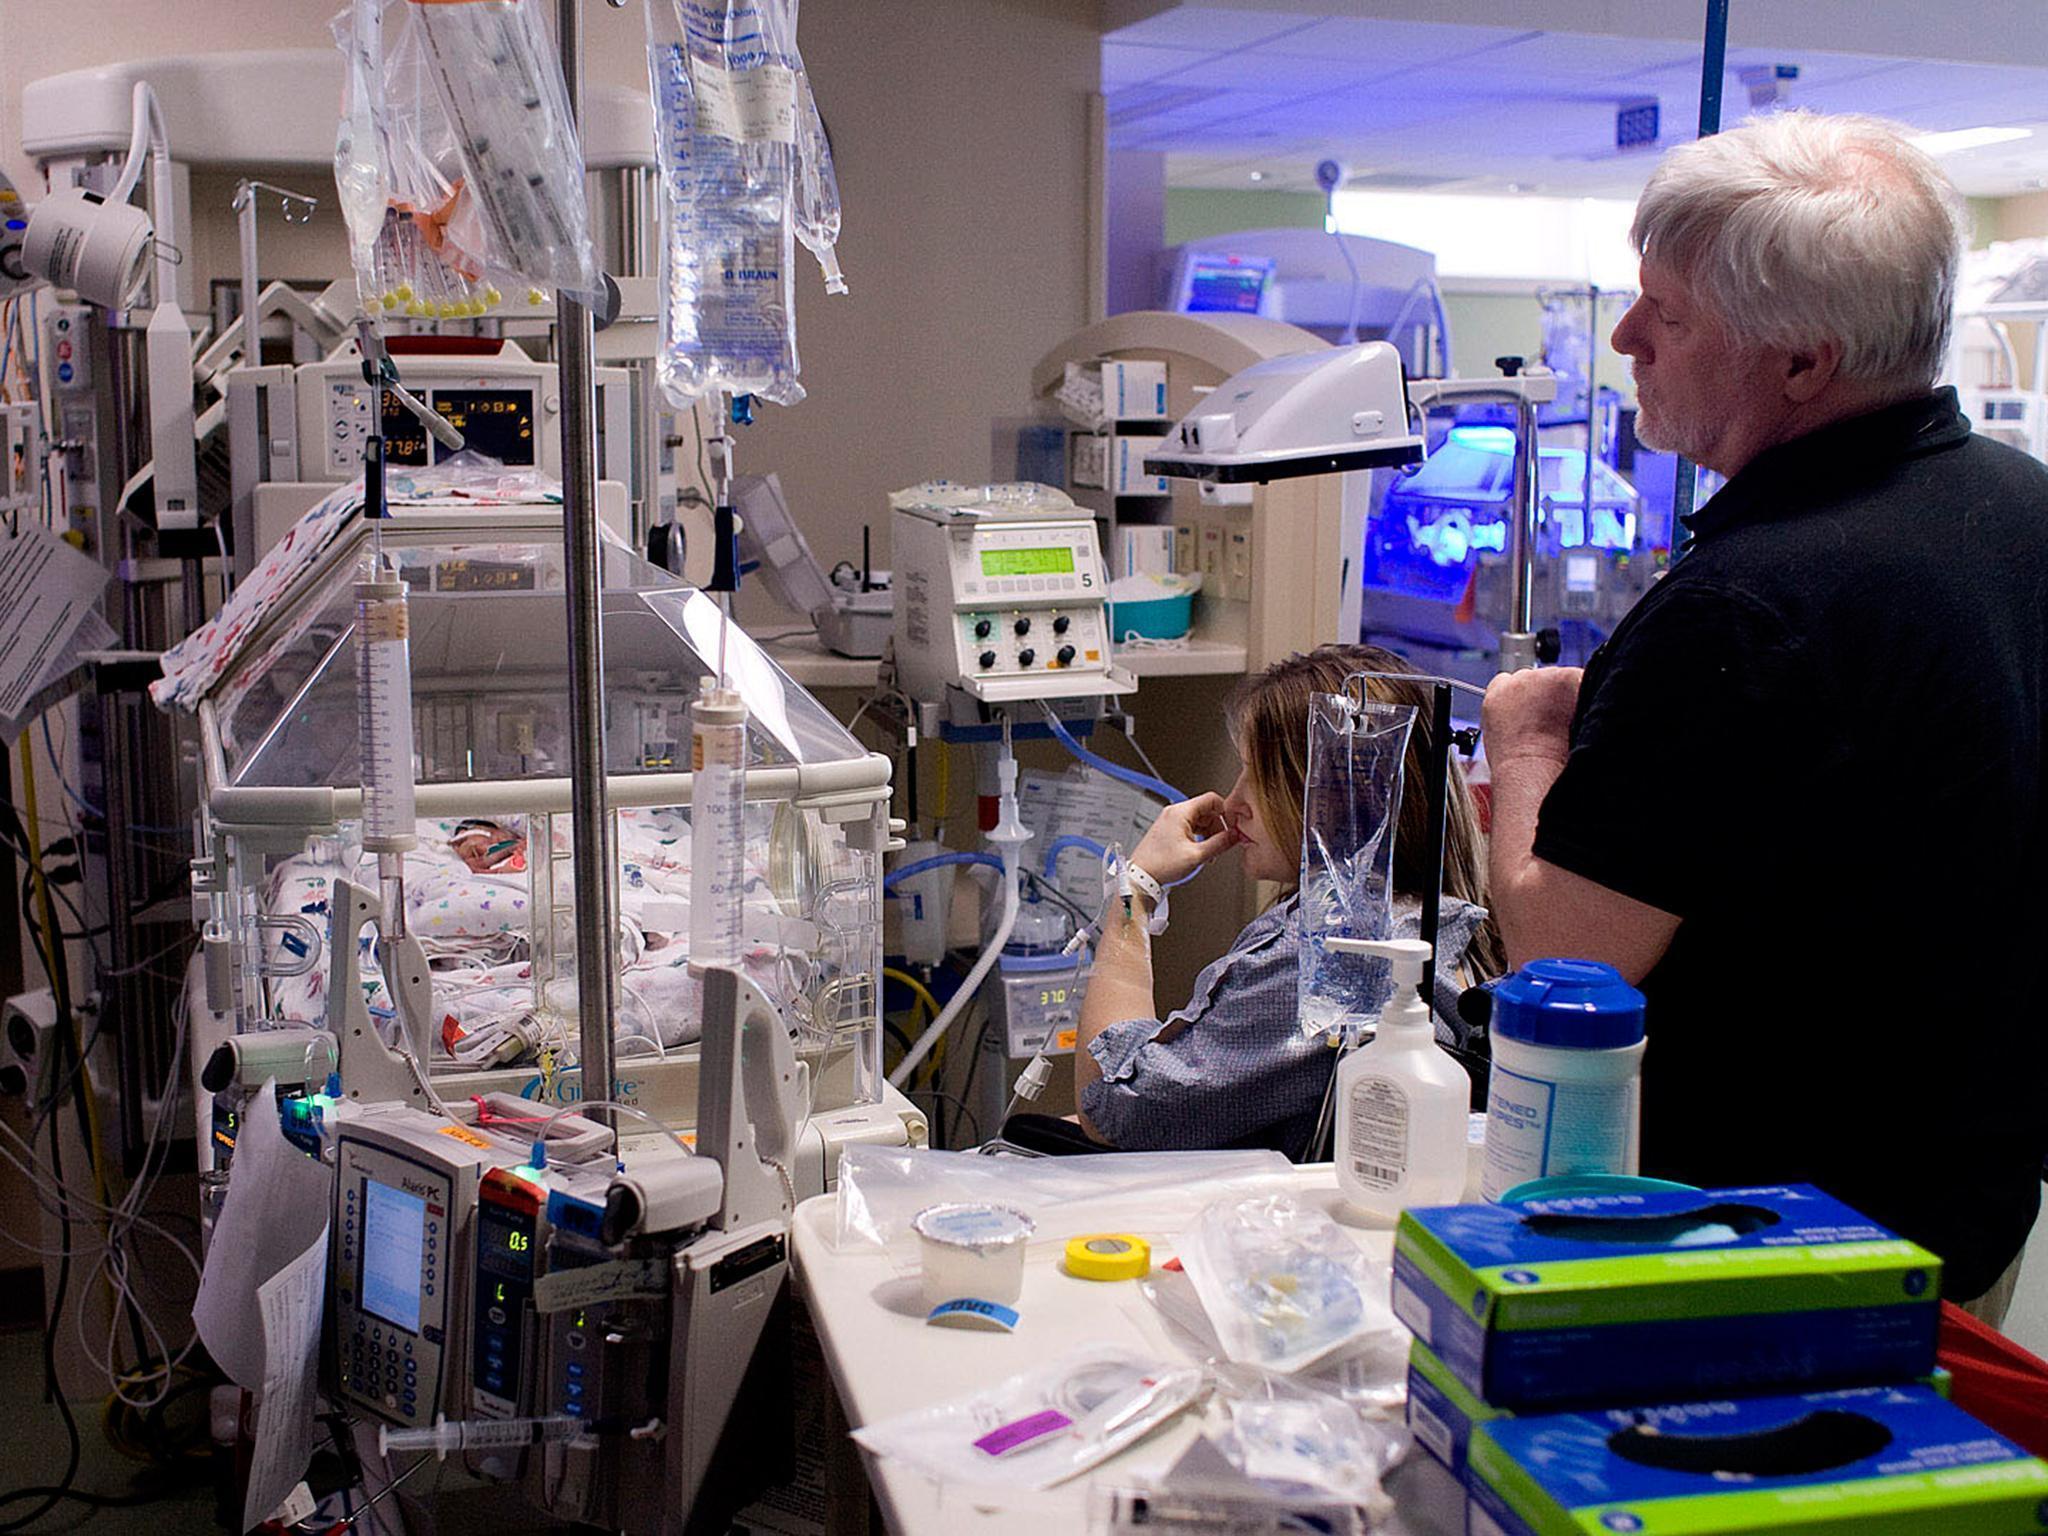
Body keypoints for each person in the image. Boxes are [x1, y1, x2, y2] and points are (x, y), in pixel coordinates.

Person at [1481, 111, 2048, 1316]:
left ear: (1802, 363)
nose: (1625, 338)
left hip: (1759, 1259)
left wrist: (1526, 737)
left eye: (1668, 316)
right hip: (1959, 1217)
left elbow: (1562, 959)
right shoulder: (2015, 508)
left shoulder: (1751, 605)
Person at [1074, 644, 1501, 1157]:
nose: (1234, 805)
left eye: (1260, 775)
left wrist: (1134, 894)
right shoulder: (1446, 920)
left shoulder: (1337, 960)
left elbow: (1115, 1105)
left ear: (1344, 794)